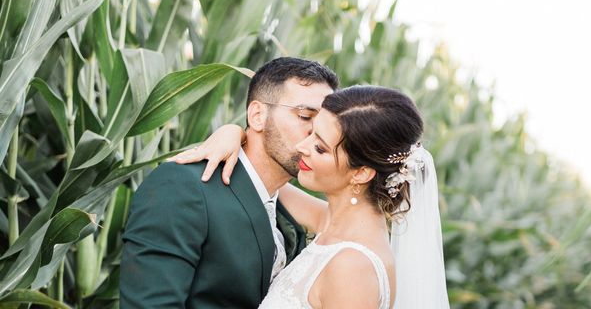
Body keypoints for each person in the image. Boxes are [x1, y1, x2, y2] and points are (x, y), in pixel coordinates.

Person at [175, 85, 450, 308]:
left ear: (362, 173)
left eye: (320, 148)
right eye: (311, 132)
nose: (301, 146)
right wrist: (234, 133)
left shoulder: (352, 268)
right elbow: (264, 179)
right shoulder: (334, 222)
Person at [119, 57, 339, 308]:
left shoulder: (283, 205)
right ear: (257, 115)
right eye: (304, 115)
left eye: (323, 125)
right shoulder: (182, 187)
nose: (317, 137)